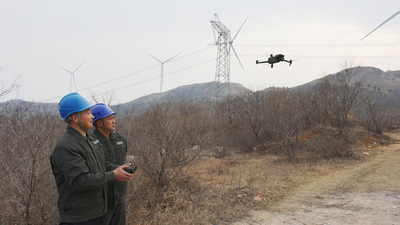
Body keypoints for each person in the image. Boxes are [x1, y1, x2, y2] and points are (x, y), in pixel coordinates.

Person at [50, 93, 133, 225]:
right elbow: (79, 180)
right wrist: (113, 175)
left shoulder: (91, 139)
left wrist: (117, 169)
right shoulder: (66, 146)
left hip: (99, 212)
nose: (92, 116)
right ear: (75, 117)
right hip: (80, 218)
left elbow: (101, 164)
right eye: (88, 112)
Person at [91, 103, 132, 225]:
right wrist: (117, 170)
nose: (113, 121)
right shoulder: (91, 142)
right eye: (109, 119)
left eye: (113, 118)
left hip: (120, 198)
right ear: (99, 123)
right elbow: (96, 166)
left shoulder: (120, 138)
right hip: (101, 202)